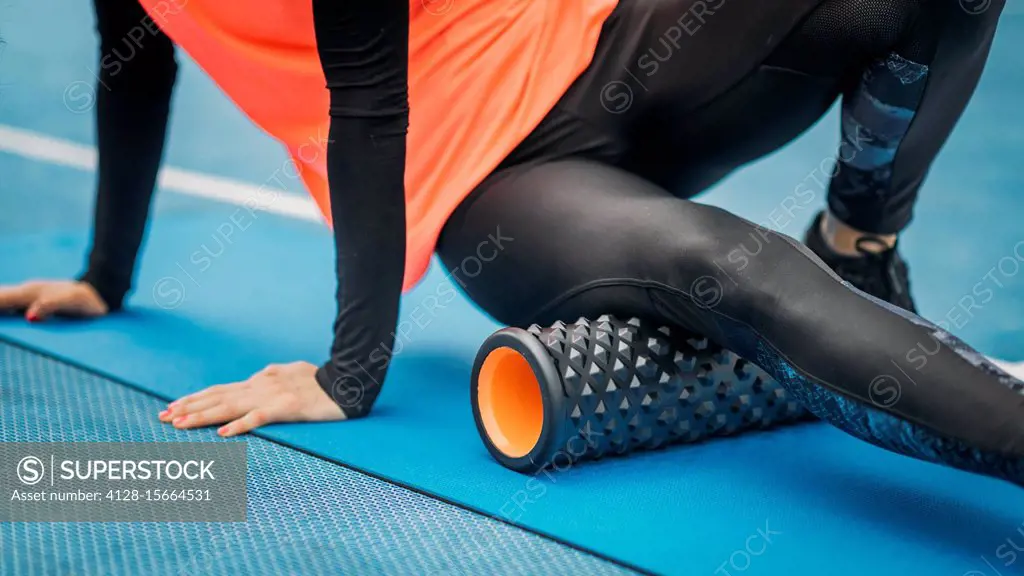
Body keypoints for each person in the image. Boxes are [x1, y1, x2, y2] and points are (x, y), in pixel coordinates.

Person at [2, 0, 1023, 483]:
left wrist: (348, 372)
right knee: (729, 267)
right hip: (497, 187)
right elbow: (133, 60)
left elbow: (362, 92)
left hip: (618, 45)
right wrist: (105, 275)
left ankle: (858, 244)